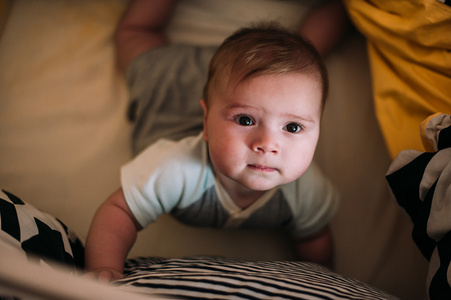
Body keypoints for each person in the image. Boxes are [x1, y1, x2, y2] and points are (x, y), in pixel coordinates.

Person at [84, 23, 339, 282]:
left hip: (239, 84)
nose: (267, 144)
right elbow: (120, 212)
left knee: (303, 61)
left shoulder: (306, 192)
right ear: (205, 122)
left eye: (292, 127)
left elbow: (314, 237)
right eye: (245, 120)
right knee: (135, 34)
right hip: (169, 84)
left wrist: (328, 283)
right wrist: (104, 268)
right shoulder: (175, 167)